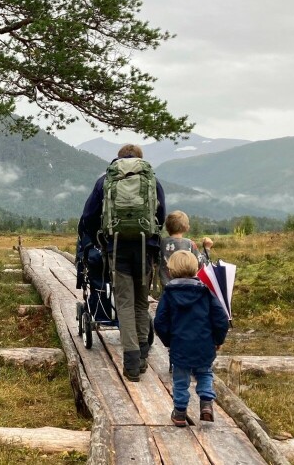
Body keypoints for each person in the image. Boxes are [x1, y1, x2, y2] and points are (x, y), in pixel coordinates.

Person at [79, 144, 165, 382]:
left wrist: (100, 238)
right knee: (141, 304)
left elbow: (88, 217)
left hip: (116, 248)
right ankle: (143, 357)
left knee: (124, 304)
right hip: (145, 248)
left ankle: (131, 365)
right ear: (140, 159)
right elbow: (161, 216)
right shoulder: (152, 181)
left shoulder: (106, 180)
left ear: (118, 159)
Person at [154, 250, 230, 427]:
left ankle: (180, 413)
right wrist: (218, 339)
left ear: (171, 271)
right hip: (204, 344)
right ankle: (206, 405)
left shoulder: (169, 294)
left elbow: (160, 322)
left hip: (180, 345)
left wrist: (168, 340)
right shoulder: (206, 293)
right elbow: (220, 319)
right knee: (204, 373)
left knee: (181, 380)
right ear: (196, 269)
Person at [159, 211, 204, 288]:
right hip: (187, 286)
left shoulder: (161, 243)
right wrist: (207, 249)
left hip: (167, 286)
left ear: (166, 227)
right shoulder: (190, 244)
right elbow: (201, 263)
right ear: (187, 227)